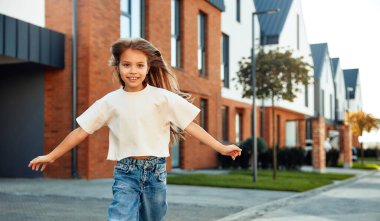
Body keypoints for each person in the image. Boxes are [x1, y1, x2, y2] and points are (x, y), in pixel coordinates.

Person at [28, 38, 242, 221]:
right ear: (118, 67)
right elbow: (81, 131)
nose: (133, 71)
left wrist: (221, 148)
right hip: (125, 172)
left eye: (140, 65)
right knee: (120, 217)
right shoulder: (109, 102)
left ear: (148, 67)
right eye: (126, 65)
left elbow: (191, 126)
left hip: (156, 172)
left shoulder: (162, 97)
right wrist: (52, 155)